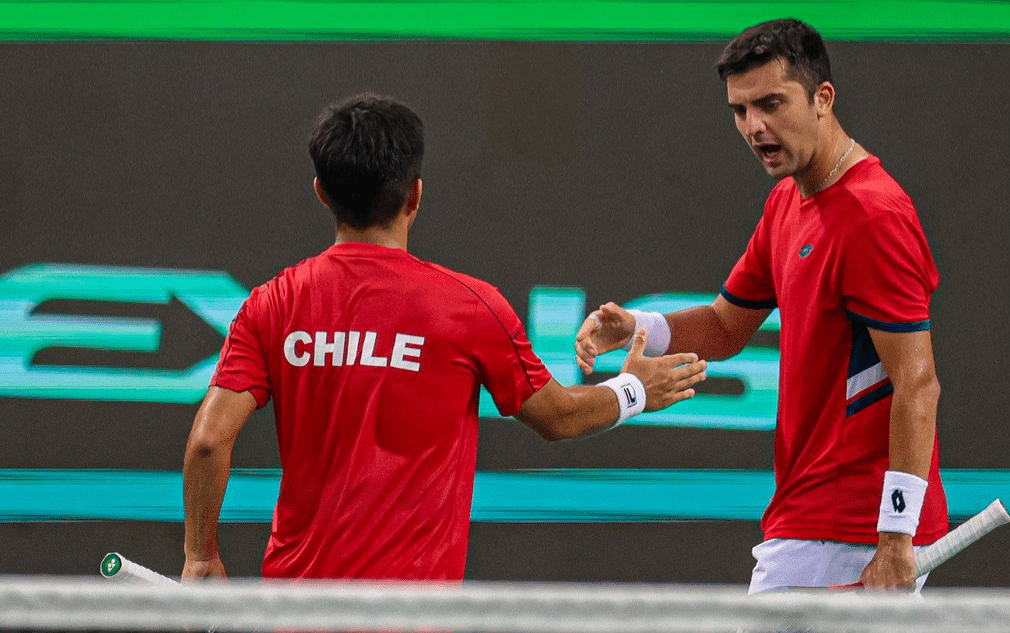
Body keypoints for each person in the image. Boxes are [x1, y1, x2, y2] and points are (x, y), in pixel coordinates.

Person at [181, 94, 707, 581]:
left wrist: (200, 556)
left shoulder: (271, 305)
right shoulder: (470, 306)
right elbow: (557, 416)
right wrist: (632, 390)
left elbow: (207, 442)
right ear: (415, 194)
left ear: (322, 192)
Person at [575, 19, 947, 592]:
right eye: (740, 110)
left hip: (852, 535)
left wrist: (895, 541)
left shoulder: (875, 215)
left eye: (771, 104)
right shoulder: (786, 202)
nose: (755, 127)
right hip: (805, 520)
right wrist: (637, 328)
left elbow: (917, 383)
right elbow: (725, 327)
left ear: (823, 98)